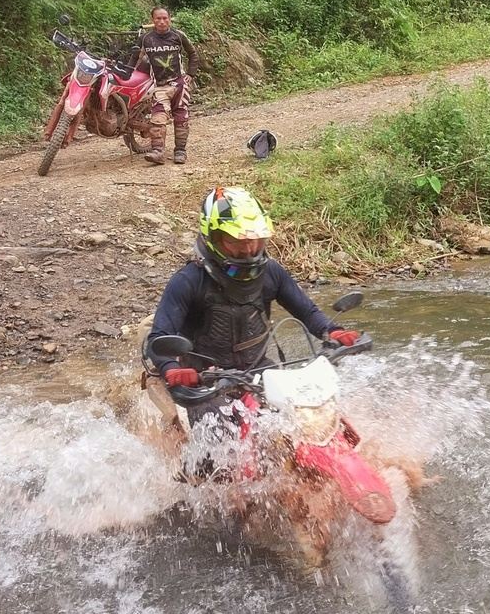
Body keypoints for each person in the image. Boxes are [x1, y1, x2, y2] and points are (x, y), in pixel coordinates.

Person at [144, 186, 360, 441]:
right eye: (237, 242)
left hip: (261, 371)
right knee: (219, 451)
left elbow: (307, 311)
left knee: (322, 423)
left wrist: (332, 331)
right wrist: (172, 368)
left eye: (254, 241)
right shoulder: (189, 281)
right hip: (207, 380)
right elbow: (159, 338)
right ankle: (194, 478)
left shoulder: (272, 273)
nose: (248, 250)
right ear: (212, 237)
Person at [132, 6, 199, 165]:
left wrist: (190, 74)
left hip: (179, 84)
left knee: (181, 118)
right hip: (159, 86)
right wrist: (129, 74)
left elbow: (193, 54)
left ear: (170, 19)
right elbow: (135, 58)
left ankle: (180, 152)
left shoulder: (178, 36)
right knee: (157, 119)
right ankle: (157, 152)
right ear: (152, 20)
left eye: (165, 18)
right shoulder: (146, 39)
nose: (162, 22)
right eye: (158, 19)